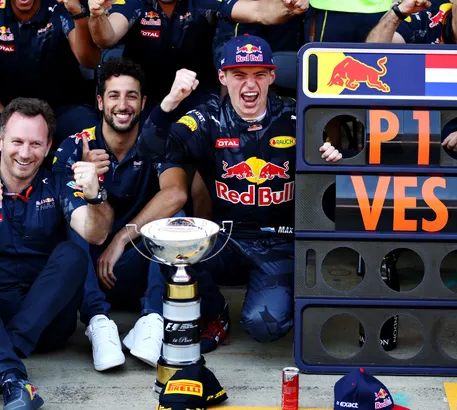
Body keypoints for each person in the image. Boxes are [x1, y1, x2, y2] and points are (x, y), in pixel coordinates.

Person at [138, 35, 342, 352]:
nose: (250, 85)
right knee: (172, 246)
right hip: (226, 238)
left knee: (265, 326)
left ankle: (282, 292)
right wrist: (170, 102)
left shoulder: (297, 116)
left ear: (272, 76)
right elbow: (150, 150)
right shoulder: (206, 118)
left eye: (259, 74)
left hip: (280, 242)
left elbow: (342, 157)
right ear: (223, 77)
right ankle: (215, 313)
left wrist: (332, 155)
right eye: (239, 75)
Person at [0, 97, 111, 410]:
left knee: (73, 254)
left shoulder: (59, 183)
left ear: (48, 146)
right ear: (0, 140)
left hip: (45, 325)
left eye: (35, 144)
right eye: (17, 141)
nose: (25, 153)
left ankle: (2, 359)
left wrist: (96, 197)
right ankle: (11, 377)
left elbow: (95, 233)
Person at [53, 59, 188, 370]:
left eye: (131, 96)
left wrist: (121, 239)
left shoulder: (158, 140)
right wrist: (89, 180)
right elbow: (66, 214)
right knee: (71, 222)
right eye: (114, 95)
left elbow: (176, 193)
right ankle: (98, 322)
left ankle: (153, 320)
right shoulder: (75, 146)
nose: (123, 105)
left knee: (176, 218)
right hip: (87, 271)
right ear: (100, 102)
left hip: (138, 263)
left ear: (143, 102)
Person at [86, 0, 309, 114]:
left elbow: (258, 11)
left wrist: (288, 7)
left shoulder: (203, 1)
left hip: (197, 95)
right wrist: (98, 15)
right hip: (144, 97)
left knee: (203, 158)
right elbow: (107, 37)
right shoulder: (135, 2)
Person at [0, 0, 101, 144]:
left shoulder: (61, 7)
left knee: (93, 135)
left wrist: (78, 14)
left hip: (62, 111)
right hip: (3, 111)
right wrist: (5, 116)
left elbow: (91, 61)